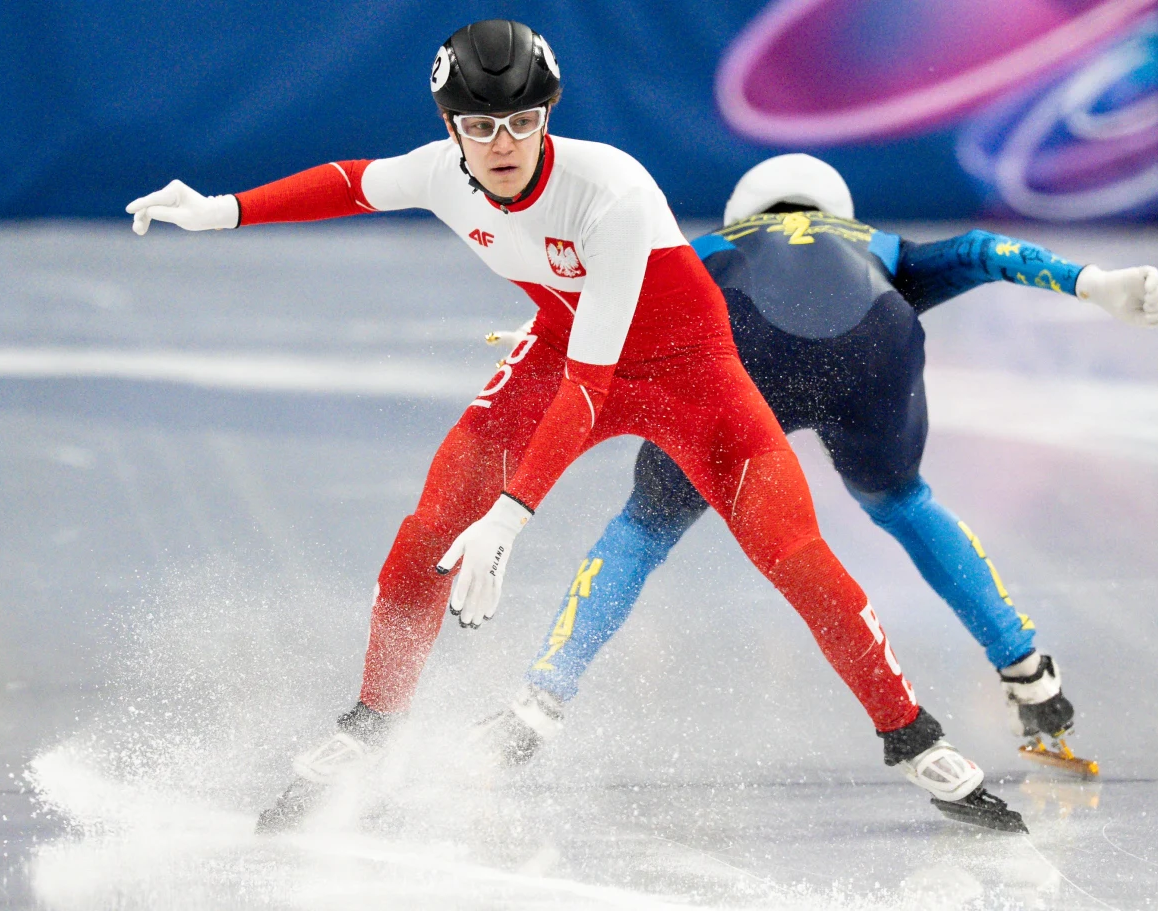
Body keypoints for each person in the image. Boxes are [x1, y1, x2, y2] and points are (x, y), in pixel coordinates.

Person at [126, 21, 1026, 833]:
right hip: (559, 357)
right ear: (451, 130)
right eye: (481, 126)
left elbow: (596, 389)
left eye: (522, 120)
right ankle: (372, 723)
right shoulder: (442, 175)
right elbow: (352, 183)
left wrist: (514, 515)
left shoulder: (612, 189)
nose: (503, 142)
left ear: (547, 115)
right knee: (430, 529)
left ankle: (912, 736)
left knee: (799, 559)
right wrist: (221, 208)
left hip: (689, 380)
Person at [475, 153, 1158, 779]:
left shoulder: (712, 246)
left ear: (743, 215)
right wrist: (1091, 282)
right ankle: (1031, 677)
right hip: (875, 348)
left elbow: (615, 294)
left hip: (741, 351)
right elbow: (981, 251)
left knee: (646, 524)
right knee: (903, 502)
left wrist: (552, 337)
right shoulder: (880, 245)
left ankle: (542, 696)